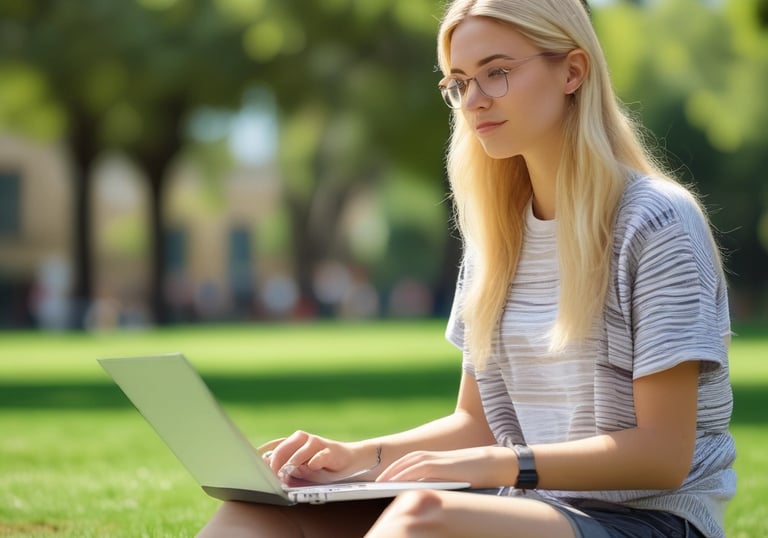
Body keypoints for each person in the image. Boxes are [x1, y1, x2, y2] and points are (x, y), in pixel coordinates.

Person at [197, 0, 736, 536]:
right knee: (260, 511)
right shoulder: (494, 238)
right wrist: (357, 456)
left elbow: (663, 455)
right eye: (458, 83)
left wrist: (498, 465)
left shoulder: (658, 222)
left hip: (650, 520)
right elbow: (476, 424)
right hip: (531, 505)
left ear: (572, 71)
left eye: (496, 73)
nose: (473, 101)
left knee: (421, 517)